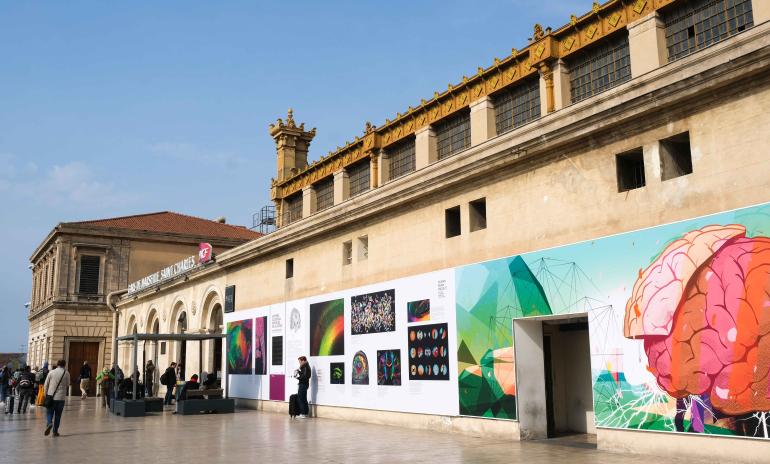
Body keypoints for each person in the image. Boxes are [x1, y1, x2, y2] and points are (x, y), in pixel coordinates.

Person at [43, 360, 70, 437]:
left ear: (57, 364)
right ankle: (55, 432)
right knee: (58, 415)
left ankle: (49, 423)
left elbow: (46, 384)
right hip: (61, 397)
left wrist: (46, 394)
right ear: (64, 365)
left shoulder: (51, 372)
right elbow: (68, 384)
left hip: (51, 396)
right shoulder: (66, 373)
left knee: (49, 413)